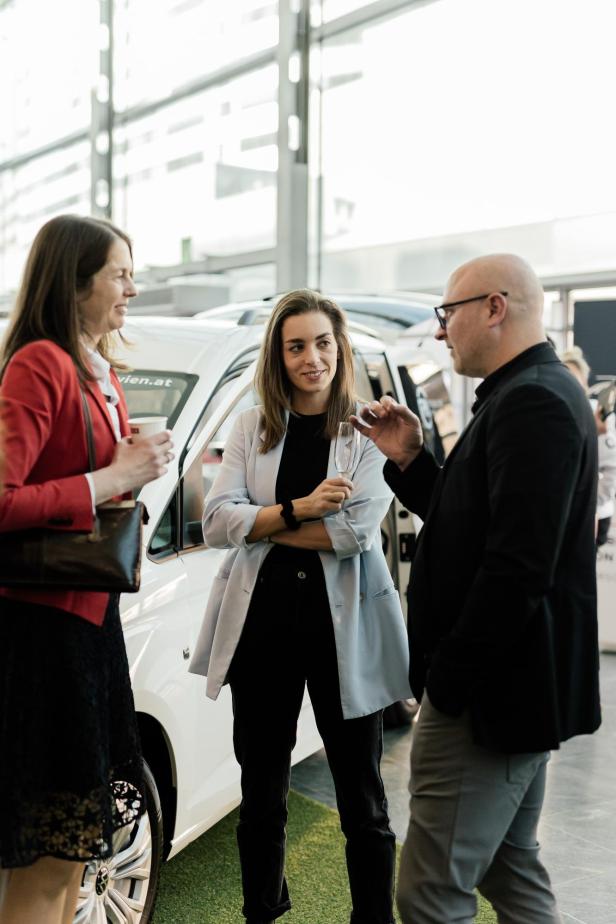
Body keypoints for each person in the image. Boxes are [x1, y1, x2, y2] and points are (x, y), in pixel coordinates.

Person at [351, 254, 601, 924]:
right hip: (508, 692)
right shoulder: (524, 393)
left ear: (495, 306)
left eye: (447, 313)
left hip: (491, 701)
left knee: (431, 893)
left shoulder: (536, 402)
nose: (440, 332)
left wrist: (451, 680)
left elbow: (518, 568)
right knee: (507, 869)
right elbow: (477, 526)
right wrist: (409, 459)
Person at [189, 288, 411, 924]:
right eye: (296, 346)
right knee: (260, 789)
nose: (312, 358)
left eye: (322, 343)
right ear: (278, 355)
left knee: (361, 794)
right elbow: (213, 521)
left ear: (339, 348)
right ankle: (263, 910)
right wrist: (299, 509)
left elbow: (353, 534)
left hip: (343, 633)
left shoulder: (367, 432)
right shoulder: (252, 425)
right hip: (261, 629)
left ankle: (372, 917)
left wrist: (261, 523)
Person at [0, 214, 173, 924]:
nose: (132, 288)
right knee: (47, 864)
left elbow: (93, 477)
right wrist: (114, 477)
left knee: (74, 857)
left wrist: (131, 470)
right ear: (75, 285)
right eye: (120, 274)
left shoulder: (93, 369)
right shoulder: (38, 363)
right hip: (42, 638)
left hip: (86, 632)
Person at [560, 346, 616, 548]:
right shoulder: (556, 412)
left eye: (575, 380)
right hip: (564, 512)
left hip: (595, 513)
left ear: (584, 383)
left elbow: (611, 471)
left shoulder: (597, 415)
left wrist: (589, 504)